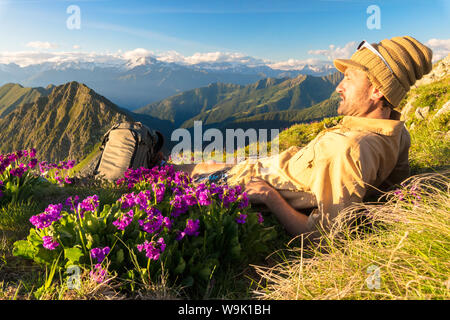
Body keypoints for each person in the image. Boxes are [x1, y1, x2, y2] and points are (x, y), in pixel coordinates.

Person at [175, 36, 433, 238]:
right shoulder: (396, 132)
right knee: (206, 163)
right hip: (274, 164)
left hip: (259, 179)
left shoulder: (345, 148)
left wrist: (268, 196)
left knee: (182, 173)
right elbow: (393, 189)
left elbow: (326, 235)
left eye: (349, 78)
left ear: (377, 90)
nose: (338, 86)